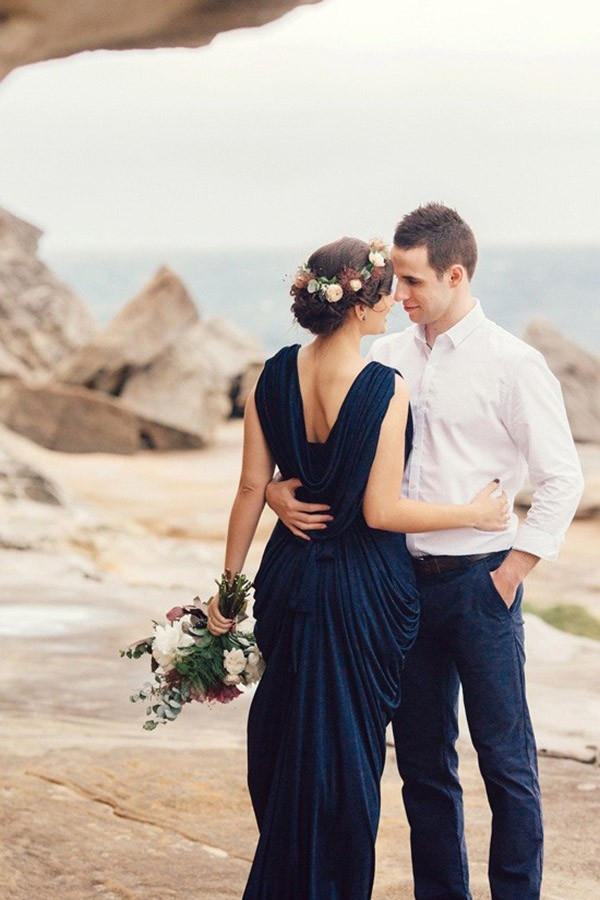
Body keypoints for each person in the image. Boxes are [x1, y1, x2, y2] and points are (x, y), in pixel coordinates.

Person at [266, 206, 585, 900]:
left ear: (455, 273)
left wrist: (513, 571)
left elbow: (563, 476)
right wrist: (272, 489)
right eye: (394, 282)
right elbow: (329, 450)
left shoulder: (513, 362)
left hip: (482, 584)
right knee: (421, 763)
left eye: (410, 281)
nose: (396, 295)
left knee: (506, 762)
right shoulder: (385, 357)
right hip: (397, 587)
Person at [206, 235, 509, 900]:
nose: (392, 307)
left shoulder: (274, 373)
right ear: (358, 308)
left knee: (285, 744)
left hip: (287, 579)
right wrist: (473, 513)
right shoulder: (383, 387)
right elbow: (380, 511)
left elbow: (252, 490)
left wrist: (227, 595)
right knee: (343, 767)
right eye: (382, 296)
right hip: (359, 595)